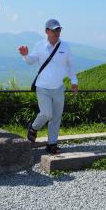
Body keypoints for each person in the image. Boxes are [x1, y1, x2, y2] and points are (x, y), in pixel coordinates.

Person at [18, 19, 78, 154]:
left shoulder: (65, 46)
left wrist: (74, 81)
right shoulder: (39, 45)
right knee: (47, 113)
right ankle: (33, 127)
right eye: (54, 30)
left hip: (59, 87)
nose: (57, 32)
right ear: (47, 31)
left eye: (59, 30)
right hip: (43, 87)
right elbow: (31, 60)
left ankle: (52, 144)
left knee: (56, 117)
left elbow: (70, 64)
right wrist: (25, 55)